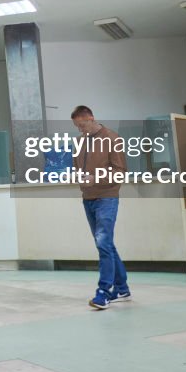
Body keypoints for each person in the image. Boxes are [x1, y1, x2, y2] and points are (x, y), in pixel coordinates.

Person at [72, 105, 130, 310]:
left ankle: (104, 292)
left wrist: (95, 178)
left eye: (82, 125)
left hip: (107, 197)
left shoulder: (112, 139)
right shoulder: (79, 142)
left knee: (103, 243)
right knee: (106, 244)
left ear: (91, 118)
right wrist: (78, 177)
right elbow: (77, 167)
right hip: (88, 198)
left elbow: (120, 171)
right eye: (76, 127)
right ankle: (122, 288)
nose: (80, 130)